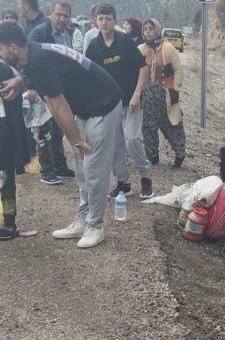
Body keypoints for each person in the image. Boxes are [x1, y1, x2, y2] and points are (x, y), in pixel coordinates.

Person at [0, 22, 123, 248]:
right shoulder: (31, 56)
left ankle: (95, 225)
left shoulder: (38, 60)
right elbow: (50, 102)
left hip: (103, 103)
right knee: (81, 167)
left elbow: (59, 104)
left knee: (93, 168)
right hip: (85, 106)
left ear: (13, 47)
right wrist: (73, 140)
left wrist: (76, 141)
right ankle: (83, 219)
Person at [86, 3, 153, 199]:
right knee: (115, 143)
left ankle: (145, 178)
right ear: (95, 22)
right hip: (109, 103)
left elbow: (143, 68)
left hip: (130, 100)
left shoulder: (124, 41)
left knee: (132, 138)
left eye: (108, 18)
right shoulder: (94, 45)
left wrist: (136, 94)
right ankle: (123, 183)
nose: (104, 22)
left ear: (114, 20)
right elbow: (89, 73)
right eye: (101, 19)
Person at [0, 30, 31, 239]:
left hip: (2, 139)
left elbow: (12, 103)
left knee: (5, 182)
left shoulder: (2, 71)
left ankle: (10, 223)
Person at [27, 1, 77, 184]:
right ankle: (46, 170)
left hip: (60, 89)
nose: (62, 19)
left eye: (65, 16)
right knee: (43, 131)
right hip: (41, 89)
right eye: (58, 15)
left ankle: (60, 167)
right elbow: (27, 60)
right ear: (50, 14)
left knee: (58, 130)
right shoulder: (39, 33)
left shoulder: (67, 34)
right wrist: (30, 86)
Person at [139, 18, 186, 168]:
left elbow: (178, 70)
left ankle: (179, 154)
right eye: (145, 29)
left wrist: (175, 90)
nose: (148, 32)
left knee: (171, 124)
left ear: (157, 30)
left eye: (151, 29)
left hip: (165, 90)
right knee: (148, 126)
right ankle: (152, 156)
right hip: (146, 92)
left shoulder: (168, 48)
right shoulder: (140, 48)